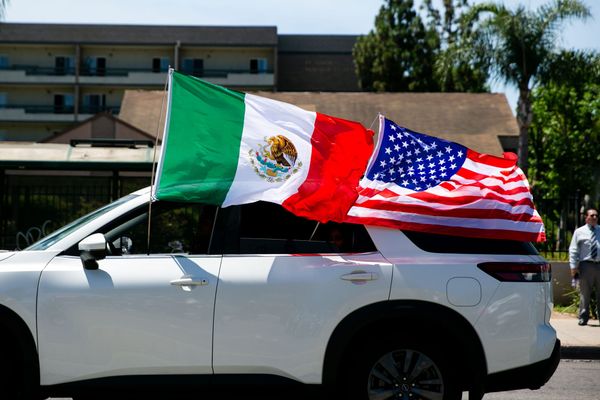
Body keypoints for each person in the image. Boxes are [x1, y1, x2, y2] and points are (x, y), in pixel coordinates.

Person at [569, 208, 600, 326]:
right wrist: (573, 267)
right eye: (592, 215)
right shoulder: (579, 232)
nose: (595, 218)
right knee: (585, 293)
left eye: (596, 216)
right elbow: (573, 250)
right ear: (586, 217)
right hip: (586, 265)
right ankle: (583, 317)